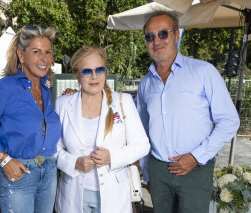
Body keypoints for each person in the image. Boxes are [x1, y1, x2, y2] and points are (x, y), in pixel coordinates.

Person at [137, 11, 240, 213]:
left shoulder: (203, 71)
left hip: (196, 169)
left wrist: (196, 156)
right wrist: (148, 173)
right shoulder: (145, 84)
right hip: (159, 172)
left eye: (163, 34)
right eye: (150, 36)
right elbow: (142, 130)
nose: (156, 41)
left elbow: (230, 121)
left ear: (176, 35)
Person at [0, 25, 61, 213]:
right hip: (20, 174)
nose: (44, 58)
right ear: (21, 55)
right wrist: (4, 159)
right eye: (36, 52)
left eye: (48, 52)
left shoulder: (45, 91)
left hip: (50, 171)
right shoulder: (5, 88)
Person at [55, 45, 150, 213]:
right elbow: (53, 149)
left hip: (114, 196)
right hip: (73, 195)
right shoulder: (63, 104)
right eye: (86, 71)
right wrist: (74, 162)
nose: (94, 77)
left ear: (106, 71)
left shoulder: (123, 101)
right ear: (77, 74)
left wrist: (112, 157)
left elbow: (142, 144)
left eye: (99, 69)